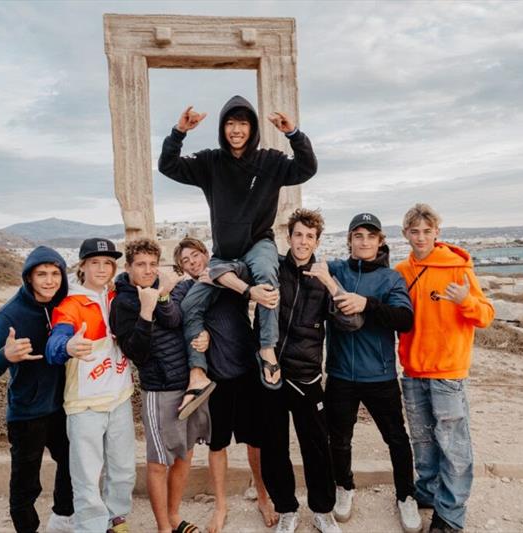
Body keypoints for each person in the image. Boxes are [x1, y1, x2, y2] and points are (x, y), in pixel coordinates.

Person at [158, 95, 318, 412]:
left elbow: (306, 168)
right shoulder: (210, 162)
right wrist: (179, 131)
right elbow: (168, 166)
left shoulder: (270, 161)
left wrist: (293, 134)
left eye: (243, 123)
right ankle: (198, 373)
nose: (236, 129)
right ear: (222, 128)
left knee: (267, 277)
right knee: (191, 302)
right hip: (224, 253)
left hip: (258, 242)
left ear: (253, 128)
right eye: (230, 123)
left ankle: (267, 350)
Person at [250, 208, 361, 533]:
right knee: (274, 447)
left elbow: (351, 321)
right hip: (270, 372)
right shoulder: (273, 270)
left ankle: (323, 511)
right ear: (289, 237)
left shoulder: (323, 277)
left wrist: (329, 282)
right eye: (298, 235)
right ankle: (286, 508)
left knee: (316, 447)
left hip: (307, 375)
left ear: (316, 241)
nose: (302, 241)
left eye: (309, 236)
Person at [317, 213, 421, 533]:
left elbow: (405, 319)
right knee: (340, 439)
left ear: (380, 242)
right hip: (339, 374)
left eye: (370, 236)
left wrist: (367, 304)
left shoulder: (390, 279)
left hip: (380, 374)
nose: (363, 242)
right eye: (358, 236)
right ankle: (344, 486)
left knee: (396, 439)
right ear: (349, 240)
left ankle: (405, 495)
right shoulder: (336, 270)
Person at [396, 204, 494, 533]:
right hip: (413, 371)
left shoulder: (458, 268)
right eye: (415, 231)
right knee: (422, 441)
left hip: (448, 372)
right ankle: (428, 492)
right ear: (405, 234)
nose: (421, 237)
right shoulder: (401, 272)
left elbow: (486, 315)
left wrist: (465, 300)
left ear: (437, 232)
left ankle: (450, 515)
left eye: (427, 231)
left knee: (452, 444)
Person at [172, 237, 277, 533]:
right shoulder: (186, 290)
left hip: (245, 370)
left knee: (254, 441)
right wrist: (198, 336)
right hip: (216, 379)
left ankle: (262, 496)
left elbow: (247, 272)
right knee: (217, 445)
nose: (193, 263)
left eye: (196, 256)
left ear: (206, 254)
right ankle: (220, 505)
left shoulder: (227, 280)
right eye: (186, 262)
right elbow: (179, 316)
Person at [0, 246, 74, 533]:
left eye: (55, 273)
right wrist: (6, 355)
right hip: (27, 413)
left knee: (72, 466)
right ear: (29, 278)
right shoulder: (9, 315)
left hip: (65, 407)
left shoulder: (65, 305)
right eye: (42, 274)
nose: (50, 280)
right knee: (26, 483)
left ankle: (63, 519)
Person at [109, 238, 208, 533]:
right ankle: (163, 527)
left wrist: (162, 297)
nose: (148, 270)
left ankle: (174, 516)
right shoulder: (123, 302)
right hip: (158, 388)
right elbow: (134, 352)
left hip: (186, 385)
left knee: (185, 455)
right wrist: (145, 312)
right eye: (141, 264)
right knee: (158, 463)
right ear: (128, 267)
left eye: (153, 264)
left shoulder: (158, 289)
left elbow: (177, 320)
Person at [45, 238, 135, 533]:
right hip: (85, 405)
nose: (101, 268)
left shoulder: (116, 297)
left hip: (119, 398)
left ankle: (116, 520)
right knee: (86, 475)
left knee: (122, 471)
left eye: (107, 263)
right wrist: (67, 345)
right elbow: (57, 340)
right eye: (94, 262)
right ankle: (91, 528)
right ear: (82, 266)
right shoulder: (71, 304)